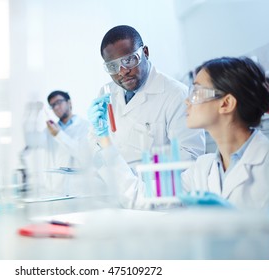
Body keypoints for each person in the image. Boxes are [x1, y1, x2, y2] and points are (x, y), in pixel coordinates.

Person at [90, 56, 269, 210]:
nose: (187, 101)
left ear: (226, 103)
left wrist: (236, 221)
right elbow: (143, 198)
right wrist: (105, 141)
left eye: (197, 92)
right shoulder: (203, 169)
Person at [88, 25, 205, 169]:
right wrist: (99, 142)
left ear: (145, 52)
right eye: (113, 67)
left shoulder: (176, 94)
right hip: (116, 187)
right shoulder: (106, 93)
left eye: (129, 60)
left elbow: (191, 156)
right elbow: (95, 145)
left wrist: (140, 179)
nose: (122, 71)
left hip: (156, 188)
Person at [21, 90, 90, 196]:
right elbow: (30, 141)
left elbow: (83, 154)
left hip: (79, 192)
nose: (56, 107)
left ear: (69, 102)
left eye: (59, 102)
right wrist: (32, 115)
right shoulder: (49, 131)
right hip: (56, 191)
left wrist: (59, 134)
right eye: (52, 105)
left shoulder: (86, 126)